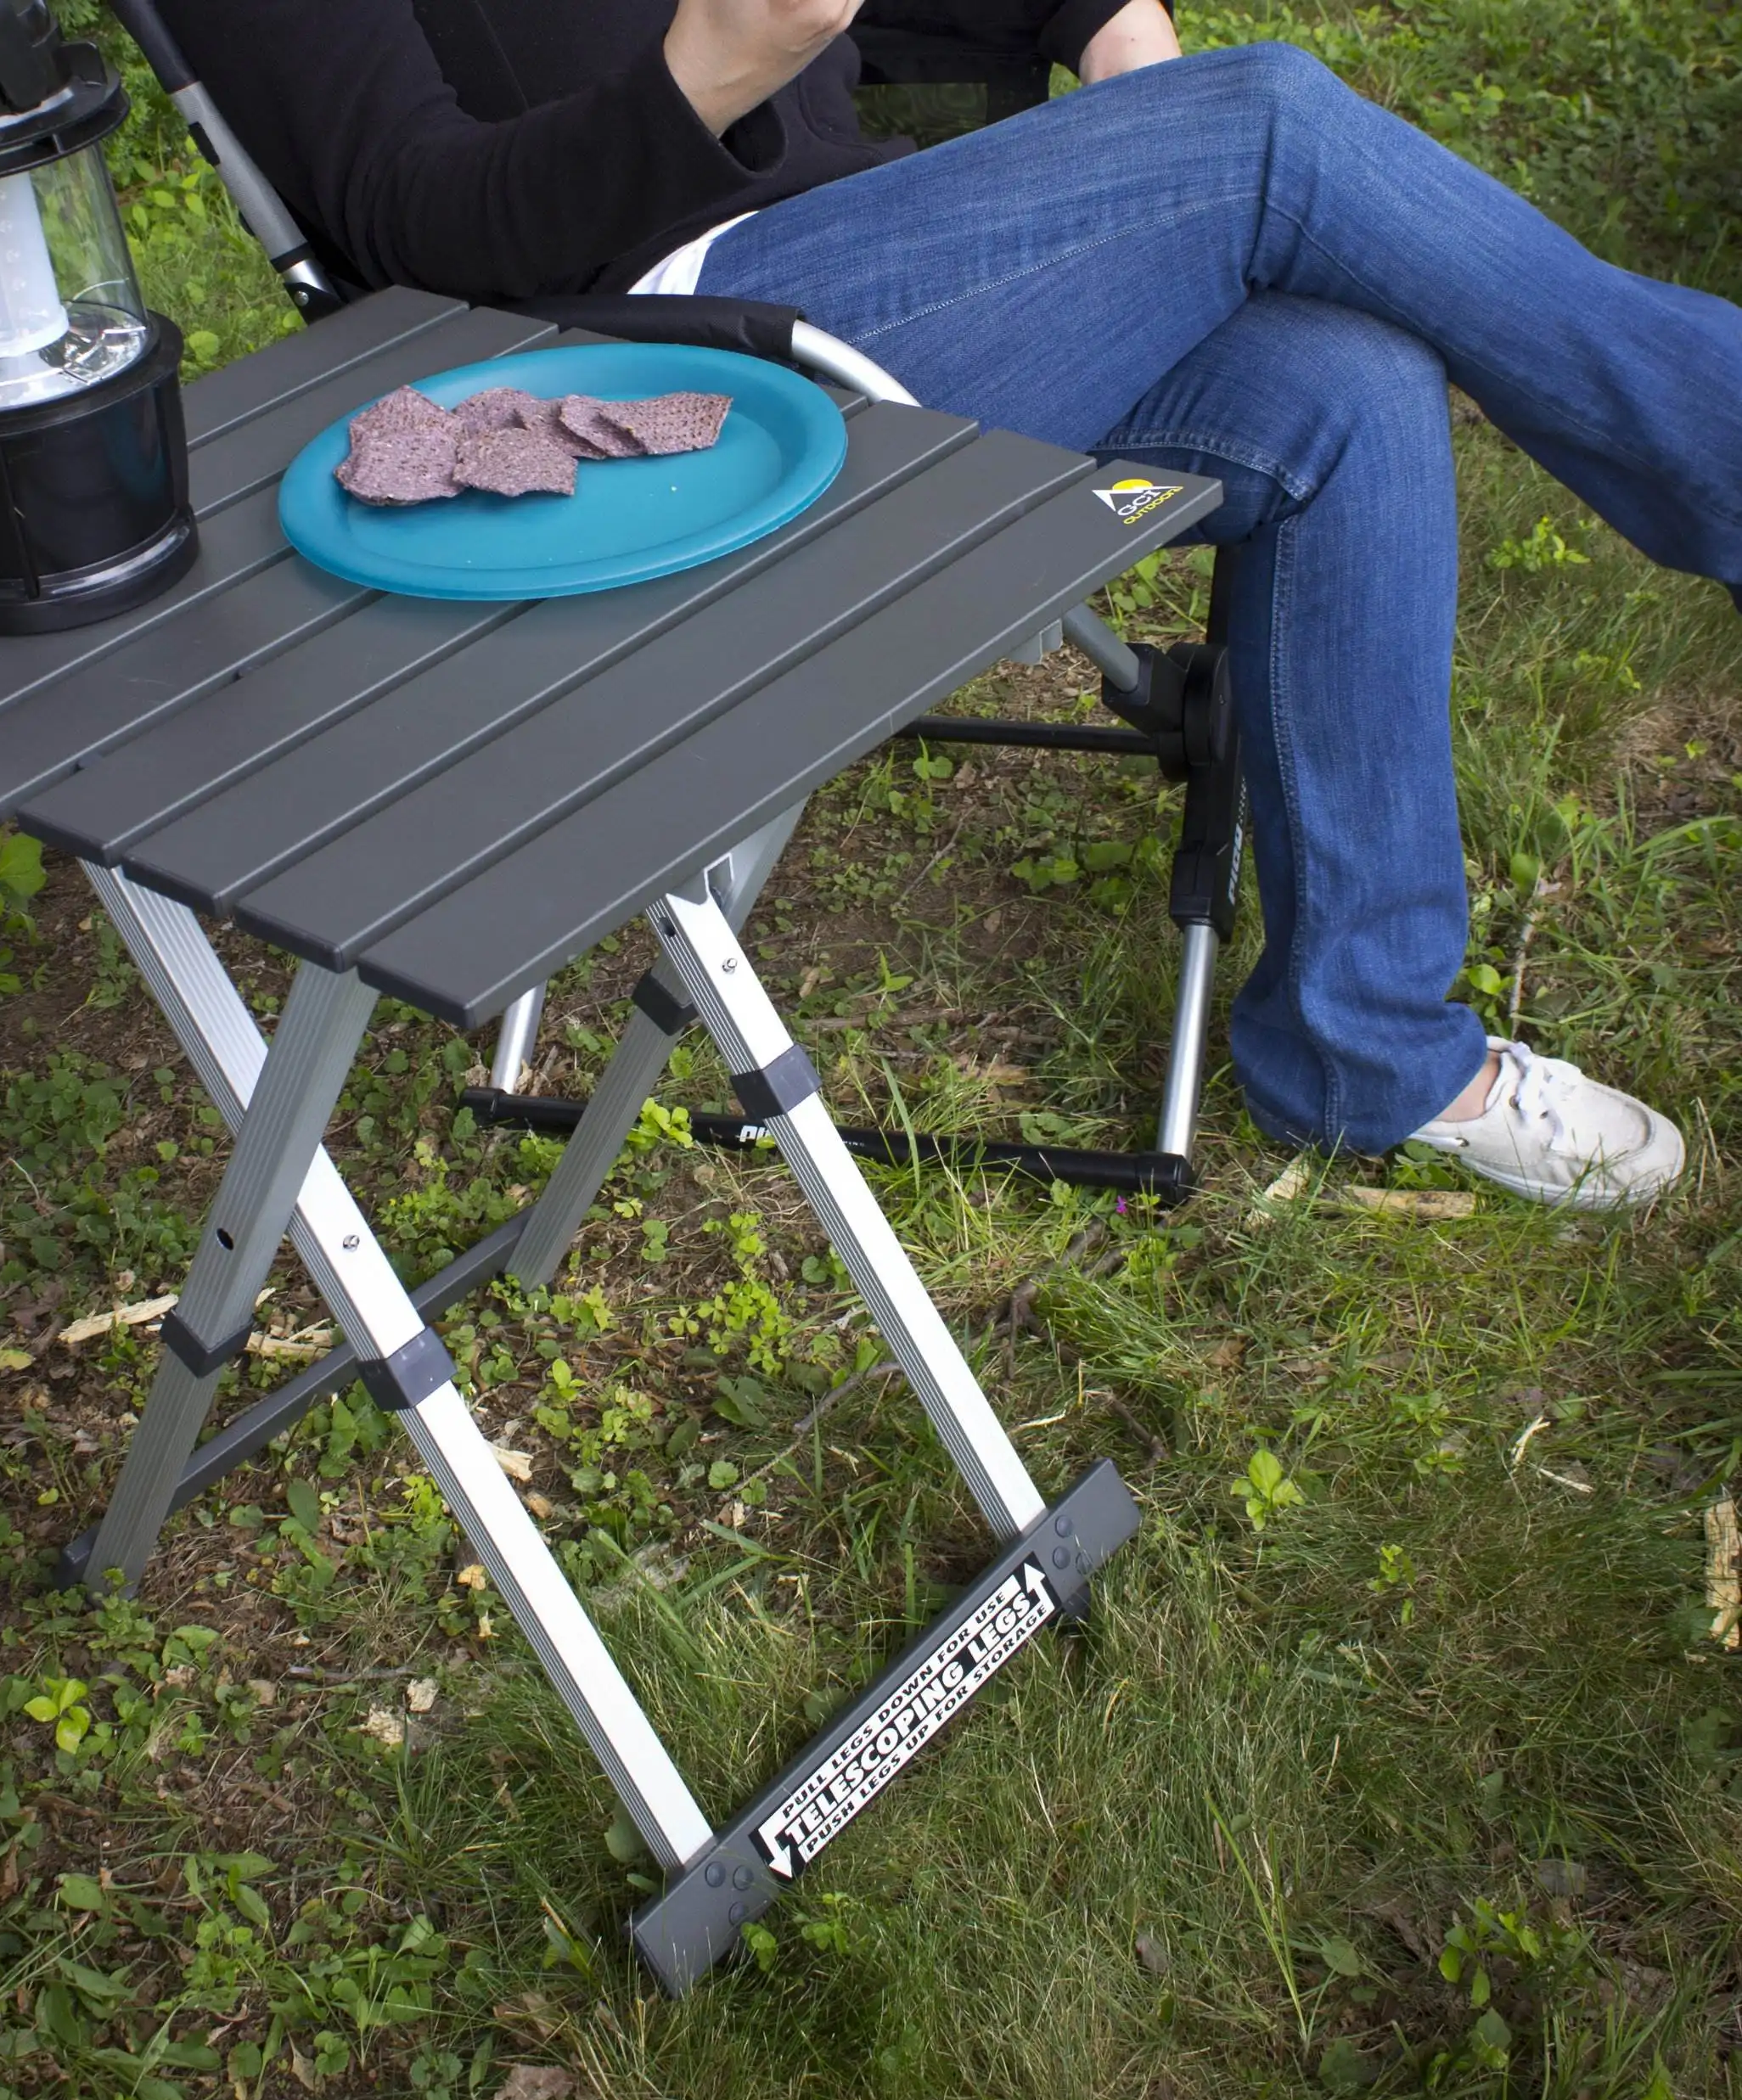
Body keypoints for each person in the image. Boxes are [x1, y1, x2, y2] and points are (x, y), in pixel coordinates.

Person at [164, 0, 1742, 1208]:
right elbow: (408, 231)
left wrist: (1097, 22)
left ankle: (1369, 1051)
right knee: (1266, 121)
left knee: (1346, 387)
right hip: (626, 382)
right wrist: (707, 68)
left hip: (863, 277)